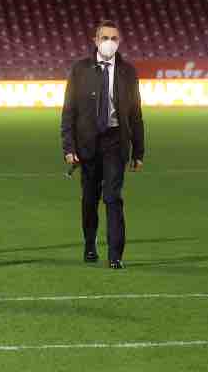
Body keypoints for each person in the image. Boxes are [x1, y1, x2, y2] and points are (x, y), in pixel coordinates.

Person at [61, 19, 145, 269]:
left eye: (114, 39)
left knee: (112, 197)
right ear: (95, 41)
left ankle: (115, 254)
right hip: (87, 142)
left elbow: (136, 114)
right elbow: (69, 110)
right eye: (105, 38)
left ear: (119, 42)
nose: (110, 43)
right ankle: (89, 244)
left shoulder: (128, 71)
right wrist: (68, 147)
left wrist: (138, 151)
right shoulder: (80, 69)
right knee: (90, 197)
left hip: (115, 140)